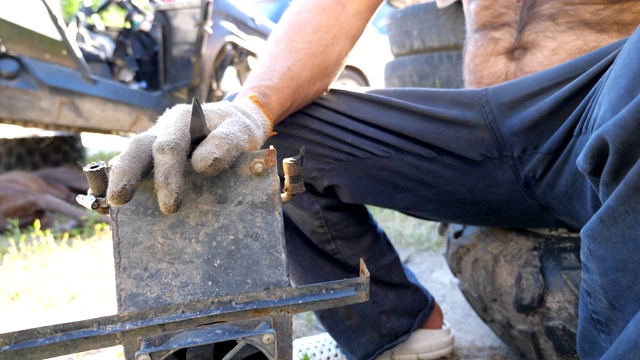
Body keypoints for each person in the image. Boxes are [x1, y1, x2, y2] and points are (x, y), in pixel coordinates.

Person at [104, 0, 640, 359]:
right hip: (487, 129)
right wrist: (251, 111)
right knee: (263, 139)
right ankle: (400, 334)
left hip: (605, 114)